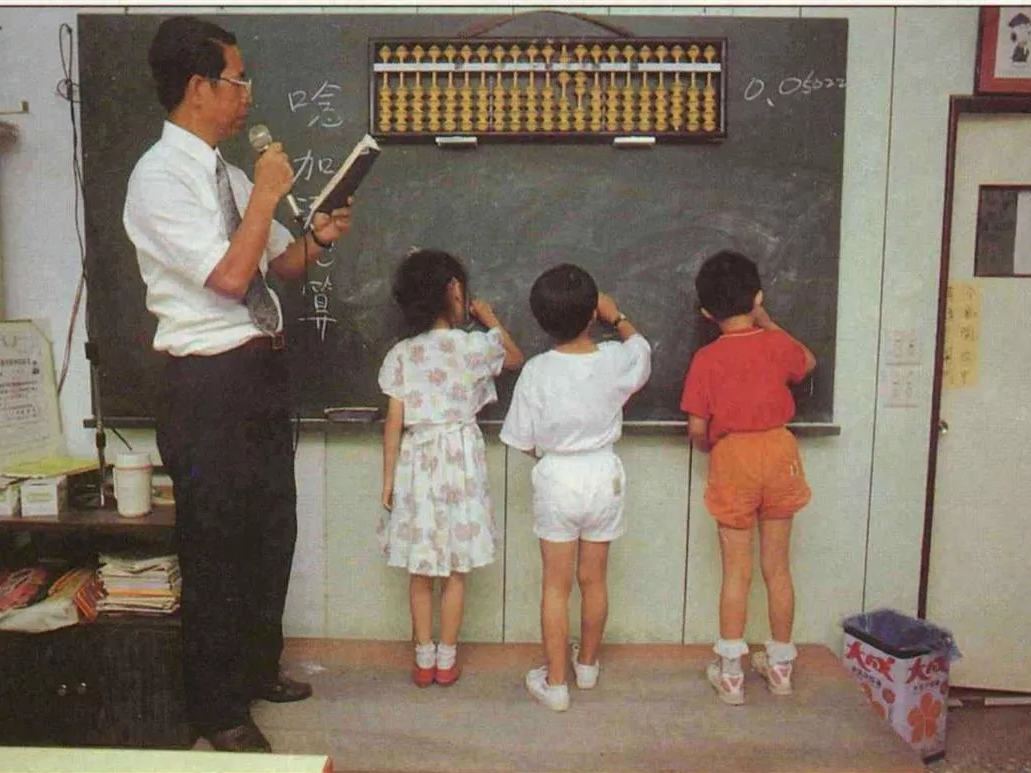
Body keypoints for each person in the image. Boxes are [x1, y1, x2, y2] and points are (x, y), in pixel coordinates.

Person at [122, 17, 354, 752]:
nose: (247, 93)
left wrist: (315, 238)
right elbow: (227, 277)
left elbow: (275, 265)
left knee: (270, 531)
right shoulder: (158, 178)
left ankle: (256, 670)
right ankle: (218, 710)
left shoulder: (228, 173)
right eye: (238, 78)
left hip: (257, 371)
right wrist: (265, 198)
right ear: (199, 88)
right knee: (218, 545)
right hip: (206, 381)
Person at [500, 264, 652, 712]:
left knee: (556, 585)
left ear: (540, 319)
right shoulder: (614, 358)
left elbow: (521, 440)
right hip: (603, 473)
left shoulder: (536, 371)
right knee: (594, 579)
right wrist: (617, 316)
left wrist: (551, 456)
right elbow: (642, 351)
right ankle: (586, 666)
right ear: (591, 315)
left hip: (558, 476)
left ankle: (555, 683)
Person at [378, 248, 524, 688]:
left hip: (417, 460)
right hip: (460, 459)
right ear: (455, 290)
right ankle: (447, 659)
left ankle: (422, 659)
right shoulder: (475, 346)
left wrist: (388, 480)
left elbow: (393, 422)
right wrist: (490, 319)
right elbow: (514, 358)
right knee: (456, 568)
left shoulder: (402, 354)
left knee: (421, 569)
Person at [679, 250, 816, 706]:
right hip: (779, 451)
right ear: (757, 297)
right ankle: (780, 669)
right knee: (778, 568)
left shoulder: (706, 359)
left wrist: (709, 447)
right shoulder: (775, 345)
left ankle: (732, 675)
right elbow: (807, 362)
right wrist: (768, 320)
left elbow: (697, 427)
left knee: (736, 573)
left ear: (705, 311)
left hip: (733, 455)